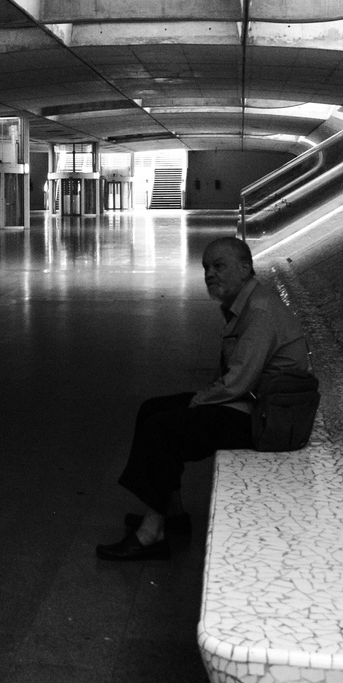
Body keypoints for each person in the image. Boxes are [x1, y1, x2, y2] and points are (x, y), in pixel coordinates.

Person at [97, 236, 308, 561]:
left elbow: (236, 383)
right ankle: (174, 513)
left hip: (265, 419)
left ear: (245, 268)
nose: (210, 274)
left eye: (219, 266)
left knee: (164, 428)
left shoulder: (260, 312)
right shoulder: (246, 304)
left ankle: (152, 533)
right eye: (206, 267)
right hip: (255, 404)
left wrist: (199, 401)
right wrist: (201, 398)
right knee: (151, 409)